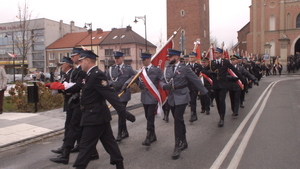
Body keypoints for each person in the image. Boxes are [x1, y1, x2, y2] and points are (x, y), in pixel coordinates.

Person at [72, 50, 135, 169]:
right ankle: (119, 165)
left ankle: (79, 166)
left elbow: (110, 95)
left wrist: (124, 113)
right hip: (98, 116)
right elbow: (82, 87)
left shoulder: (97, 75)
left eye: (81, 61)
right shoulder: (89, 74)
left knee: (85, 146)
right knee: (110, 143)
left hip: (94, 117)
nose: (79, 64)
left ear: (87, 61)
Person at [160, 49, 208, 160]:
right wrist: (163, 86)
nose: (168, 58)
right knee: (179, 120)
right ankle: (184, 141)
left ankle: (177, 146)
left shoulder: (185, 68)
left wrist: (205, 92)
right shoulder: (167, 68)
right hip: (172, 97)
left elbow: (195, 80)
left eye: (170, 57)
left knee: (177, 120)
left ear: (176, 57)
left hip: (182, 96)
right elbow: (162, 80)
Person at [205, 48, 245, 127]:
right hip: (215, 85)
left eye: (217, 53)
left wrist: (242, 80)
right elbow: (204, 71)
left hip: (223, 85)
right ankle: (220, 115)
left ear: (221, 54)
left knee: (221, 100)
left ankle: (222, 118)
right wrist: (210, 73)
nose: (215, 54)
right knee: (217, 102)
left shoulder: (225, 62)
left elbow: (234, 70)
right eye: (215, 53)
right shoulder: (211, 63)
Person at [106, 51, 136, 142]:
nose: (116, 60)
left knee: (120, 111)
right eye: (115, 58)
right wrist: (112, 83)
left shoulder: (128, 68)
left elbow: (134, 76)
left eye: (118, 58)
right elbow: (105, 79)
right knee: (121, 112)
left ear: (122, 58)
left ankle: (119, 133)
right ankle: (125, 131)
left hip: (124, 93)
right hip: (115, 94)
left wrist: (126, 84)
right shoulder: (111, 69)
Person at [137, 52, 162, 146]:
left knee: (150, 117)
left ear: (149, 59)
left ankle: (148, 137)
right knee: (147, 117)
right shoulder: (141, 70)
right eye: (142, 59)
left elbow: (162, 80)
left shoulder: (156, 70)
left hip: (152, 97)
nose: (142, 61)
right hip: (144, 97)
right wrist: (141, 85)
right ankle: (153, 135)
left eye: (144, 59)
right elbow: (139, 83)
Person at [186, 52, 201, 122]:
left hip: (195, 86)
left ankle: (193, 115)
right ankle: (193, 114)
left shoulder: (198, 66)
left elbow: (201, 74)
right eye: (190, 57)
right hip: (187, 86)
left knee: (193, 101)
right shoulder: (186, 66)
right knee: (190, 101)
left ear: (195, 58)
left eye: (192, 57)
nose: (191, 59)